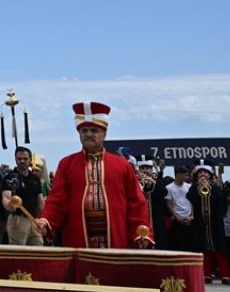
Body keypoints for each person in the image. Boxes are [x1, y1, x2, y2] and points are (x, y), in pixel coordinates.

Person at [37, 102, 153, 249]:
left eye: (94, 130)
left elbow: (136, 203)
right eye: (84, 130)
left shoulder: (123, 165)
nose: (89, 134)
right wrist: (46, 220)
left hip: (116, 238)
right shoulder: (66, 164)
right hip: (78, 238)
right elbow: (57, 200)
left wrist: (141, 231)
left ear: (104, 133)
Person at [188, 164, 230, 283]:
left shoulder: (215, 187)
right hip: (200, 223)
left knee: (220, 248)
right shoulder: (194, 188)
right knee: (204, 248)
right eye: (200, 173)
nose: (203, 175)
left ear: (210, 175)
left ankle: (225, 275)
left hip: (215, 222)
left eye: (205, 172)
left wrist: (210, 190)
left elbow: (220, 199)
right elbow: (190, 197)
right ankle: (206, 275)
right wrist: (198, 187)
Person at [2, 146, 44, 246]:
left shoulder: (35, 179)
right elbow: (6, 197)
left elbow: (40, 201)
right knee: (19, 254)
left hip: (34, 220)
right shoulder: (11, 177)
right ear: (15, 159)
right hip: (18, 220)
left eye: (25, 159)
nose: (22, 161)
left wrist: (43, 219)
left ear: (30, 160)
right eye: (19, 158)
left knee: (39, 249)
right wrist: (10, 206)